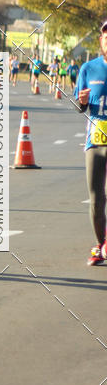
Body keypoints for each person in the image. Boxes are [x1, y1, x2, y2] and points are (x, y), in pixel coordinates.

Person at [75, 20, 107, 266]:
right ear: (101, 41)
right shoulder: (88, 68)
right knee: (96, 200)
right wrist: (82, 101)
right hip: (95, 142)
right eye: (106, 37)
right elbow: (80, 106)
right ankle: (101, 243)